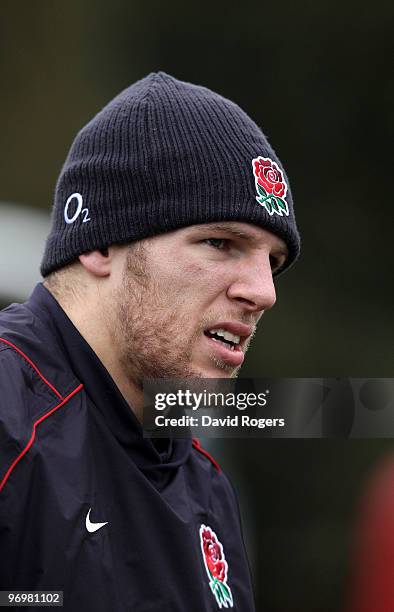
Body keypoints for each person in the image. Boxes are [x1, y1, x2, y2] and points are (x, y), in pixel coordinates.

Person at [0, 72, 300, 611]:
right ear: (102, 244)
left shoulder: (203, 484)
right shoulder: (9, 419)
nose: (263, 292)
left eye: (272, 263)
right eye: (220, 241)